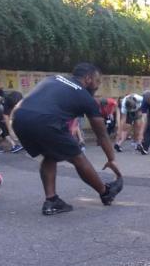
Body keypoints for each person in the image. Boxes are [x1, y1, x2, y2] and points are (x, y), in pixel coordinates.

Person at [11, 63, 122, 215]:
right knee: (78, 157)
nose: (97, 86)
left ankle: (51, 201)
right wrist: (111, 158)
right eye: (97, 82)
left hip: (19, 117)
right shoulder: (85, 97)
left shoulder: (53, 79)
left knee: (50, 155)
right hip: (46, 120)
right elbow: (102, 134)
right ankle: (105, 192)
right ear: (88, 79)